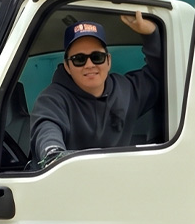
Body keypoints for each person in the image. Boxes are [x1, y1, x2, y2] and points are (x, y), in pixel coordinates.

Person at [28, 12, 162, 168]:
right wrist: (53, 155)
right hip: (65, 182)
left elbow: (161, 73)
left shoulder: (127, 89)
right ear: (67, 66)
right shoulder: (51, 100)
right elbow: (47, 130)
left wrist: (151, 35)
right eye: (79, 59)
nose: (89, 64)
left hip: (112, 182)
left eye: (97, 57)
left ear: (108, 60)